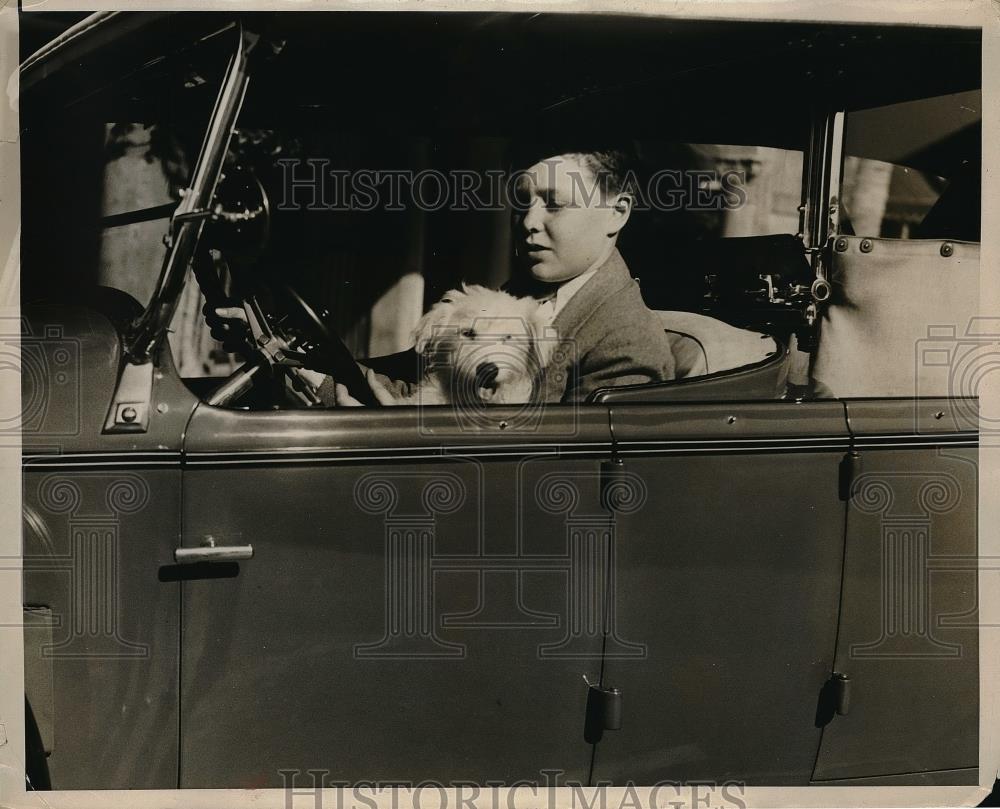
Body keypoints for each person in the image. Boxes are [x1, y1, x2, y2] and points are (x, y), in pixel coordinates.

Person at [209, 141, 676, 404]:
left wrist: (334, 390)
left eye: (554, 204)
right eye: (522, 203)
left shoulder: (625, 344)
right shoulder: (522, 295)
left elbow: (554, 473)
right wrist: (302, 363)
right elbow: (419, 376)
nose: (529, 222)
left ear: (617, 213)